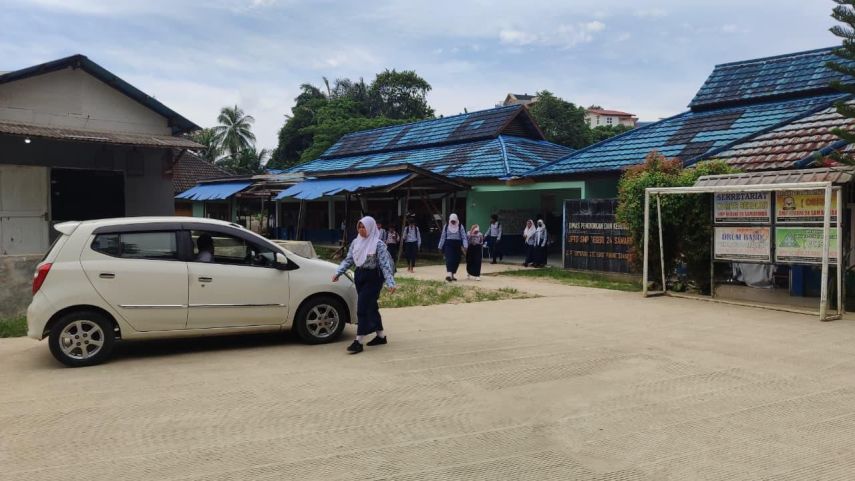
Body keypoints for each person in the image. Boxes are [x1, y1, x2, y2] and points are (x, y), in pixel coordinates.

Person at [332, 216, 396, 354]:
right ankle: (381, 336)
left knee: (362, 307)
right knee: (371, 306)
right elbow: (349, 259)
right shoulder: (356, 242)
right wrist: (338, 272)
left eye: (364, 227)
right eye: (359, 227)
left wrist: (390, 282)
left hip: (373, 278)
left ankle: (359, 341)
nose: (361, 230)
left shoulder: (378, 244)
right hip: (360, 276)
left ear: (371, 228)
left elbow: (385, 265)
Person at [438, 213, 468, 282]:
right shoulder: (446, 226)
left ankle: (452, 275)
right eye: (452, 221)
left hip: (457, 245)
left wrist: (465, 246)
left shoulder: (460, 226)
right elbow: (443, 237)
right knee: (449, 259)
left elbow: (464, 237)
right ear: (450, 220)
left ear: (457, 220)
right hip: (448, 245)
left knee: (456, 260)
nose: (453, 222)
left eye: (454, 221)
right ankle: (449, 274)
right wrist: (440, 246)